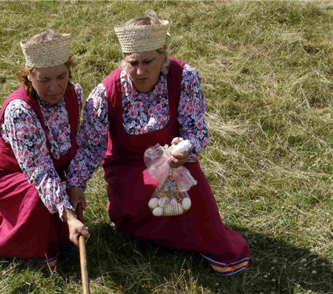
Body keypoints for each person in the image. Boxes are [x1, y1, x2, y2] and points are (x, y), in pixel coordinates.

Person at [67, 11, 249, 275]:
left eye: (148, 61)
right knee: (146, 200)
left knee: (190, 182)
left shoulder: (184, 78)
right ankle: (136, 220)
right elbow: (89, 147)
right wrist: (76, 184)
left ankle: (209, 243)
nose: (140, 71)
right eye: (133, 62)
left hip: (172, 163)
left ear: (163, 54)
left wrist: (185, 149)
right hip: (127, 170)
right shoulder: (106, 93)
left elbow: (196, 130)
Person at [0, 30, 89, 267]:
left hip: (47, 169)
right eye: (44, 80)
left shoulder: (74, 93)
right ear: (29, 76)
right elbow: (40, 170)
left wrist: (75, 185)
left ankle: (52, 228)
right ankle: (38, 251)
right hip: (4, 174)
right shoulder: (20, 111)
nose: (55, 87)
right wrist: (68, 215)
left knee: (54, 208)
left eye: (61, 76)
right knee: (38, 200)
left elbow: (78, 144)